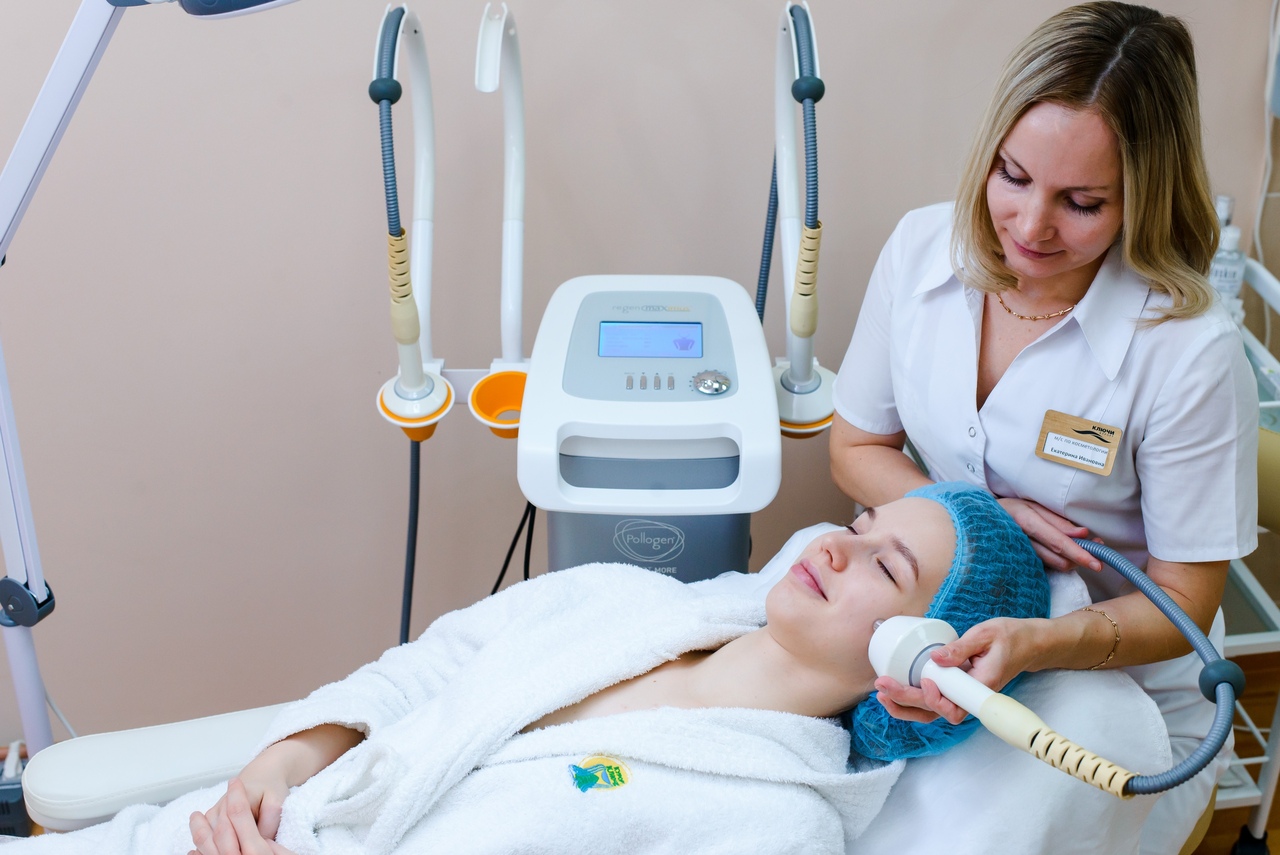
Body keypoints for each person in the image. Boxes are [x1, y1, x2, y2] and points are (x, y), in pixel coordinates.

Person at [1, 486, 1049, 855]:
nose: (833, 548)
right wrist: (283, 761)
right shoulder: (620, 598)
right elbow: (424, 668)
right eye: (858, 526)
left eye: (887, 567)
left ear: (923, 666)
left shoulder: (776, 825)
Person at [827, 3, 1258, 852]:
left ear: (1142, 198)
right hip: (937, 623)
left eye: (1083, 202)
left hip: (1110, 677)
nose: (1030, 227)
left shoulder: (1188, 353)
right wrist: (983, 516)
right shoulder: (922, 252)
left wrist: (1042, 643)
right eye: (1014, 177)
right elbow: (855, 448)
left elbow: (1185, 600)